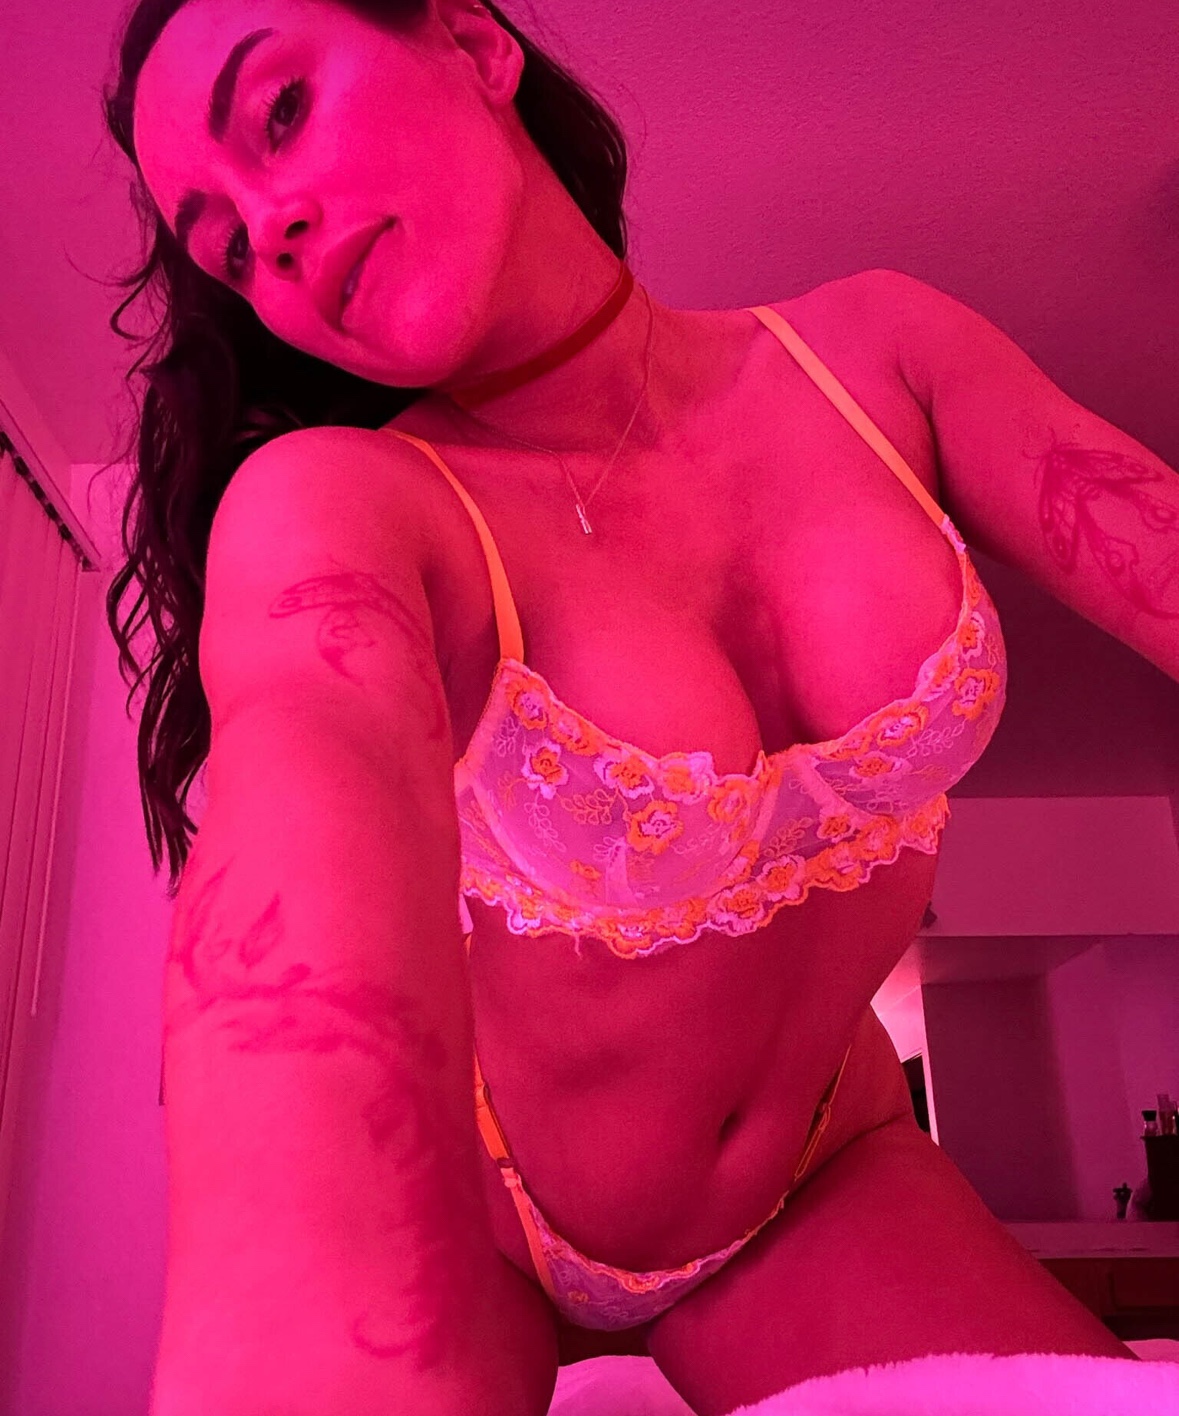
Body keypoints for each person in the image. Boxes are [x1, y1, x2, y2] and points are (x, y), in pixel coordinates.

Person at [107, 1, 1140, 1412]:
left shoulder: (882, 358)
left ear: (473, 42)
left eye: (280, 110)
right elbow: (297, 890)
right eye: (225, 246)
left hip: (820, 1176)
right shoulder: (342, 503)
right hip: (482, 1223)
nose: (267, 237)